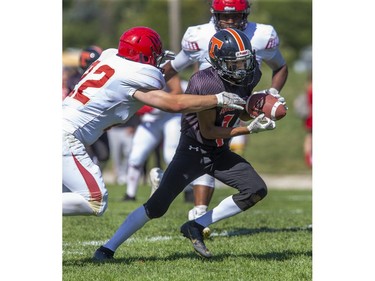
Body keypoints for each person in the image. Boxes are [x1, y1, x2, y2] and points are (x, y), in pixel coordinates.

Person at [93, 28, 277, 261]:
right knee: (157, 207)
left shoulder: (252, 75)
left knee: (255, 189)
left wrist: (259, 111)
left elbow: (237, 111)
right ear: (219, 62)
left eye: (245, 62)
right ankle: (107, 247)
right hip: (194, 151)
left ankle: (196, 226)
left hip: (219, 151)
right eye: (235, 64)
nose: (242, 69)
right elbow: (209, 131)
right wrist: (248, 129)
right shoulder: (205, 83)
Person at [62, 26, 246, 216]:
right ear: (142, 57)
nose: (158, 61)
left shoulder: (110, 59)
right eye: (154, 55)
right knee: (95, 200)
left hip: (63, 126)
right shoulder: (135, 75)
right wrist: (218, 99)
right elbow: (173, 104)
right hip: (67, 137)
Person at [160, 0, 288, 227]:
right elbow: (173, 67)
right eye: (224, 16)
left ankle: (194, 210)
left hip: (238, 103)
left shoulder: (261, 34)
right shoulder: (198, 35)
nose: (230, 21)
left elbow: (280, 66)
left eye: (236, 16)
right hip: (208, 100)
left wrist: (270, 94)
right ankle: (198, 210)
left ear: (246, 14)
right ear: (214, 15)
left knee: (216, 153)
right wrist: (153, 92)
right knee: (205, 148)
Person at [123, 74, 187, 201]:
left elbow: (178, 91)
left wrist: (156, 104)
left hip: (170, 114)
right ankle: (130, 194)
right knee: (136, 156)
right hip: (151, 118)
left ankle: (188, 191)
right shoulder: (136, 69)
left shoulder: (164, 66)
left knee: (171, 155)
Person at [65, 46, 111, 169]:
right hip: (80, 123)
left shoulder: (103, 76)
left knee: (104, 155)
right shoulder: (75, 79)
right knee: (86, 156)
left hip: (99, 122)